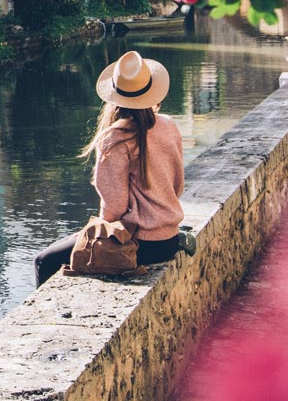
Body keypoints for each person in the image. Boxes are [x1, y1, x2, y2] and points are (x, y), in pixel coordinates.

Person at [35, 50, 187, 284]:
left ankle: (43, 320)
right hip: (168, 238)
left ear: (114, 96)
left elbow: (114, 208)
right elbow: (177, 187)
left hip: (138, 244)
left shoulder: (116, 138)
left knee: (44, 260)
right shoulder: (168, 125)